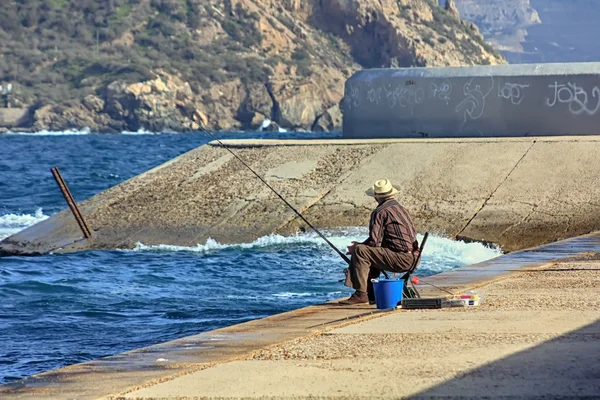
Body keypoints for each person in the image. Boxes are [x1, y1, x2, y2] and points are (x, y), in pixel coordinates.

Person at [340, 179, 419, 305]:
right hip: (414, 257)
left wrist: (357, 247)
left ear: (376, 197)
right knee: (365, 251)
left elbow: (374, 242)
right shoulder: (401, 209)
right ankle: (371, 293)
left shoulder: (380, 212)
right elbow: (379, 242)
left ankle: (361, 294)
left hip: (401, 259)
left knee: (361, 251)